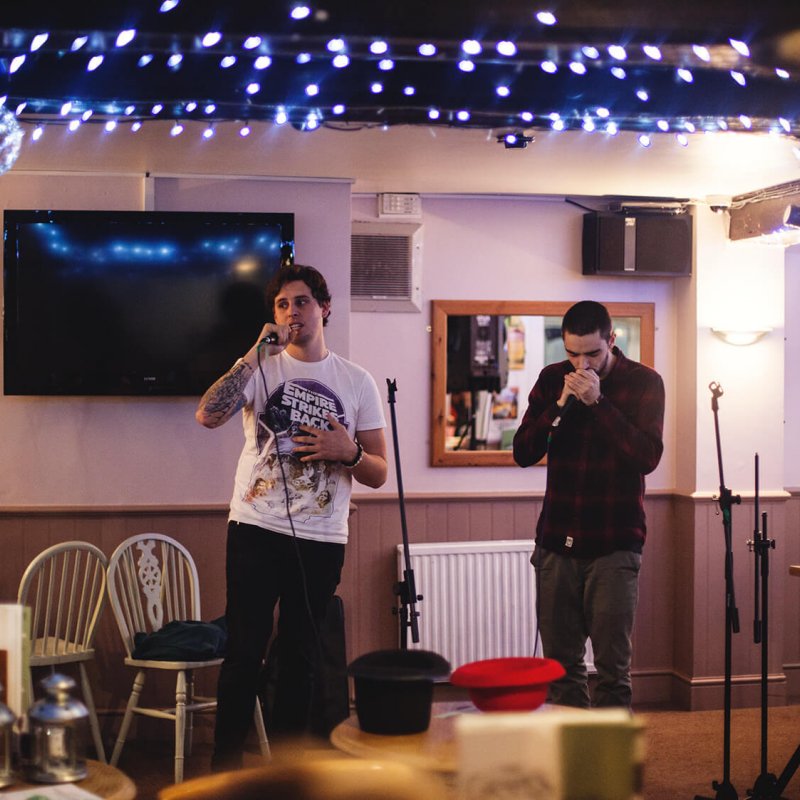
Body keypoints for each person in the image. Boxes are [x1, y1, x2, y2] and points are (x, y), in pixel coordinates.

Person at [196, 263, 388, 769]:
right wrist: (253, 355)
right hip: (255, 527)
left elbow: (379, 471)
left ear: (324, 308)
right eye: (282, 304)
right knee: (244, 652)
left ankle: (284, 773)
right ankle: (225, 768)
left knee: (301, 657)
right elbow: (208, 416)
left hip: (322, 537)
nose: (291, 312)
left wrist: (345, 452)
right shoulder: (260, 366)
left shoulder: (356, 381)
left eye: (301, 301)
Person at [512, 300, 664, 709]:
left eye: (593, 353)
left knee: (613, 671)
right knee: (560, 668)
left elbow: (647, 457)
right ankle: (572, 766)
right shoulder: (550, 379)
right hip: (556, 542)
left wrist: (599, 404)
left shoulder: (645, 382)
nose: (582, 364)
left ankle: (609, 771)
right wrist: (558, 405)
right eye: (572, 354)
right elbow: (523, 452)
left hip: (615, 542)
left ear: (611, 341)